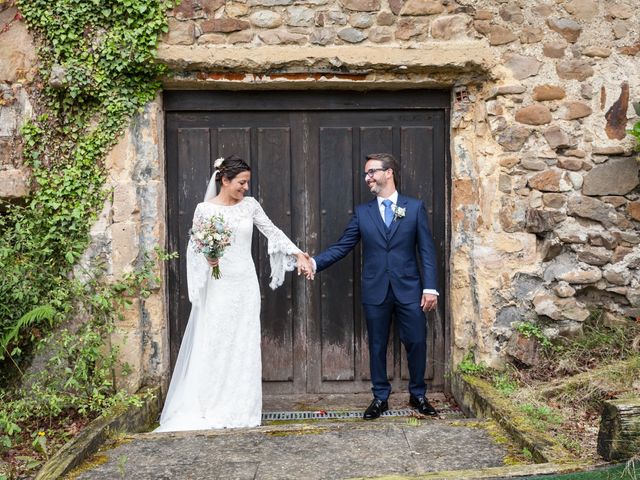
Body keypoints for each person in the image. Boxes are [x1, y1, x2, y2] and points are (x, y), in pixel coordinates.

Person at [156, 155, 313, 432]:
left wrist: (298, 253)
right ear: (224, 180)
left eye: (247, 183)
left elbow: (272, 231)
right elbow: (195, 249)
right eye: (241, 182)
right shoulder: (204, 210)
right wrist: (208, 259)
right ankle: (212, 404)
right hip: (218, 287)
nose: (245, 188)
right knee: (217, 341)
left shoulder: (250, 206)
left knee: (243, 343)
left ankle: (241, 408)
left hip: (245, 286)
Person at [309, 153, 439, 419]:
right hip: (375, 289)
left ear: (388, 172)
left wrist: (430, 288)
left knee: (416, 341)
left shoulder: (414, 208)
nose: (367, 178)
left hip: (410, 289)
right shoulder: (362, 213)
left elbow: (426, 251)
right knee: (377, 344)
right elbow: (343, 246)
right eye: (366, 174)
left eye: (371, 172)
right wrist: (314, 263)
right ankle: (380, 397)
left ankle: (418, 395)